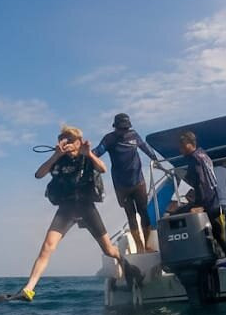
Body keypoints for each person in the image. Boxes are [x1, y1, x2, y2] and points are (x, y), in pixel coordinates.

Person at [16, 126, 141, 301]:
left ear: (78, 142)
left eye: (69, 140)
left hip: (86, 207)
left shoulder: (86, 157)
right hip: (66, 208)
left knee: (108, 250)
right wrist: (56, 155)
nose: (65, 143)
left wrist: (89, 153)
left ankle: (125, 263)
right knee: (47, 247)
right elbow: (39, 174)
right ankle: (29, 288)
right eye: (62, 139)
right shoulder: (59, 159)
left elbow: (103, 169)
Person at [94, 113, 158, 252]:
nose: (124, 131)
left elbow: (146, 147)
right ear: (115, 127)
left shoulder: (133, 135)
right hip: (121, 186)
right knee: (131, 215)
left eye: (126, 128)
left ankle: (146, 245)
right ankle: (139, 246)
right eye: (121, 128)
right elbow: (97, 152)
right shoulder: (109, 139)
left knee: (144, 213)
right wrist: (86, 153)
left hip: (138, 182)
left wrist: (155, 158)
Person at [169, 131, 226, 254]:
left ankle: (189, 253)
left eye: (182, 146)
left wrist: (199, 205)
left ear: (189, 144)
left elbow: (201, 182)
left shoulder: (194, 159)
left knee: (173, 217)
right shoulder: (203, 154)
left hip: (206, 201)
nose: (180, 150)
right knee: (216, 230)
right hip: (214, 199)